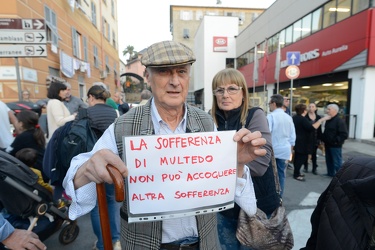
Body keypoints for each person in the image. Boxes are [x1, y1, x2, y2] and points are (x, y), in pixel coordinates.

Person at [63, 40, 266, 249]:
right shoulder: (123, 126)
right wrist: (87, 169)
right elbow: (78, 177)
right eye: (164, 72)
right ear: (148, 77)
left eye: (181, 72)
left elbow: (228, 189)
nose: (175, 81)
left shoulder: (205, 122)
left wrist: (237, 163)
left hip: (203, 243)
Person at [210, 68, 273, 249]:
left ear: (243, 93)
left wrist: (217, 165)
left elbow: (259, 166)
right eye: (220, 90)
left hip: (256, 207)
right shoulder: (208, 120)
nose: (225, 95)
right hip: (223, 208)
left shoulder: (255, 115)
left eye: (232, 89)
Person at [84, 85, 122, 250]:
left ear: (91, 97)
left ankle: (102, 244)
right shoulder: (114, 113)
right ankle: (115, 240)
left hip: (92, 162)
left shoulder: (85, 113)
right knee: (112, 201)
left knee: (96, 204)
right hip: (112, 163)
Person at [6, 110, 48, 182]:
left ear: (21, 124)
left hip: (34, 173)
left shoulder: (23, 136)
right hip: (43, 169)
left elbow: (9, 152)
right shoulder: (36, 133)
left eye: (17, 121)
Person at [267, 94, 296, 196]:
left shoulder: (270, 117)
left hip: (273, 150)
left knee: (270, 175)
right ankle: (280, 197)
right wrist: (291, 151)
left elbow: (267, 134)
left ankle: (272, 195)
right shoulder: (288, 117)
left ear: (274, 104)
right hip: (285, 150)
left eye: (269, 103)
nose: (269, 106)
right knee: (281, 175)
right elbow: (293, 136)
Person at [292, 104, 329, 181]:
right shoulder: (302, 119)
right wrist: (320, 120)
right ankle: (296, 174)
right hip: (302, 142)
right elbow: (311, 128)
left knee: (298, 157)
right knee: (301, 158)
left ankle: (297, 172)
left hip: (297, 140)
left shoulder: (295, 117)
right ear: (304, 111)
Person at [321, 103, 348, 177]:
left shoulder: (339, 121)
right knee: (329, 160)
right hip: (328, 144)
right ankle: (330, 173)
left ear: (335, 110)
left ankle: (340, 176)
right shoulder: (329, 120)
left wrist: (336, 141)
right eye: (327, 109)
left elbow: (344, 134)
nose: (327, 111)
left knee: (337, 161)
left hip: (335, 145)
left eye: (329, 109)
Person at [304, 103, 322, 174]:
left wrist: (320, 138)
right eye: (310, 106)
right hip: (307, 138)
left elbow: (320, 129)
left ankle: (314, 168)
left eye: (313, 106)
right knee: (306, 153)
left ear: (315, 108)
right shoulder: (305, 117)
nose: (311, 108)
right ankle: (305, 166)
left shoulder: (318, 117)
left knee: (314, 154)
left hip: (315, 137)